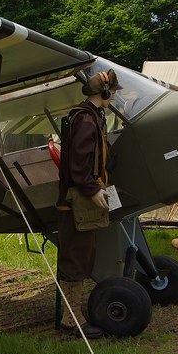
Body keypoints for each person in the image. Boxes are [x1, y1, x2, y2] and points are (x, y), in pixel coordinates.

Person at [55, 69, 122, 339]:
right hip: (78, 200)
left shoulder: (93, 117)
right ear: (104, 92)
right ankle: (71, 320)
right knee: (75, 256)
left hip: (84, 196)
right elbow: (77, 163)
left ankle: (73, 315)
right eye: (112, 90)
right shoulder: (85, 119)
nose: (114, 94)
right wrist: (91, 187)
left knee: (82, 254)